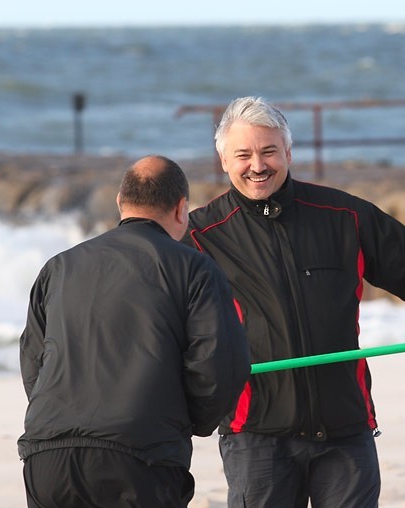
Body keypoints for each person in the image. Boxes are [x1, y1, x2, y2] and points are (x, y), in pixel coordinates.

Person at [183, 97, 405, 507]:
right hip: (257, 434)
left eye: (269, 151)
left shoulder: (342, 215)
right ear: (223, 161)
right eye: (243, 155)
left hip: (345, 429)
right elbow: (160, 319)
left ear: (288, 152)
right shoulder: (199, 236)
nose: (258, 165)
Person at [18, 155, 250, 508]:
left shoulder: (59, 266)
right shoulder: (195, 268)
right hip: (142, 454)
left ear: (120, 203)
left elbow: (34, 363)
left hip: (48, 452)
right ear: (181, 209)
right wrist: (191, 422)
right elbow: (220, 364)